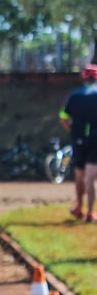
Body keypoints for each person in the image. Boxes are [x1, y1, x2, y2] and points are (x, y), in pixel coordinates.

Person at [59, 64, 97, 221]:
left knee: (79, 175)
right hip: (96, 140)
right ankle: (90, 212)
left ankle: (78, 208)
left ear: (84, 78)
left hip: (78, 139)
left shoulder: (74, 96)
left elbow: (63, 118)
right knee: (91, 178)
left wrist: (73, 131)